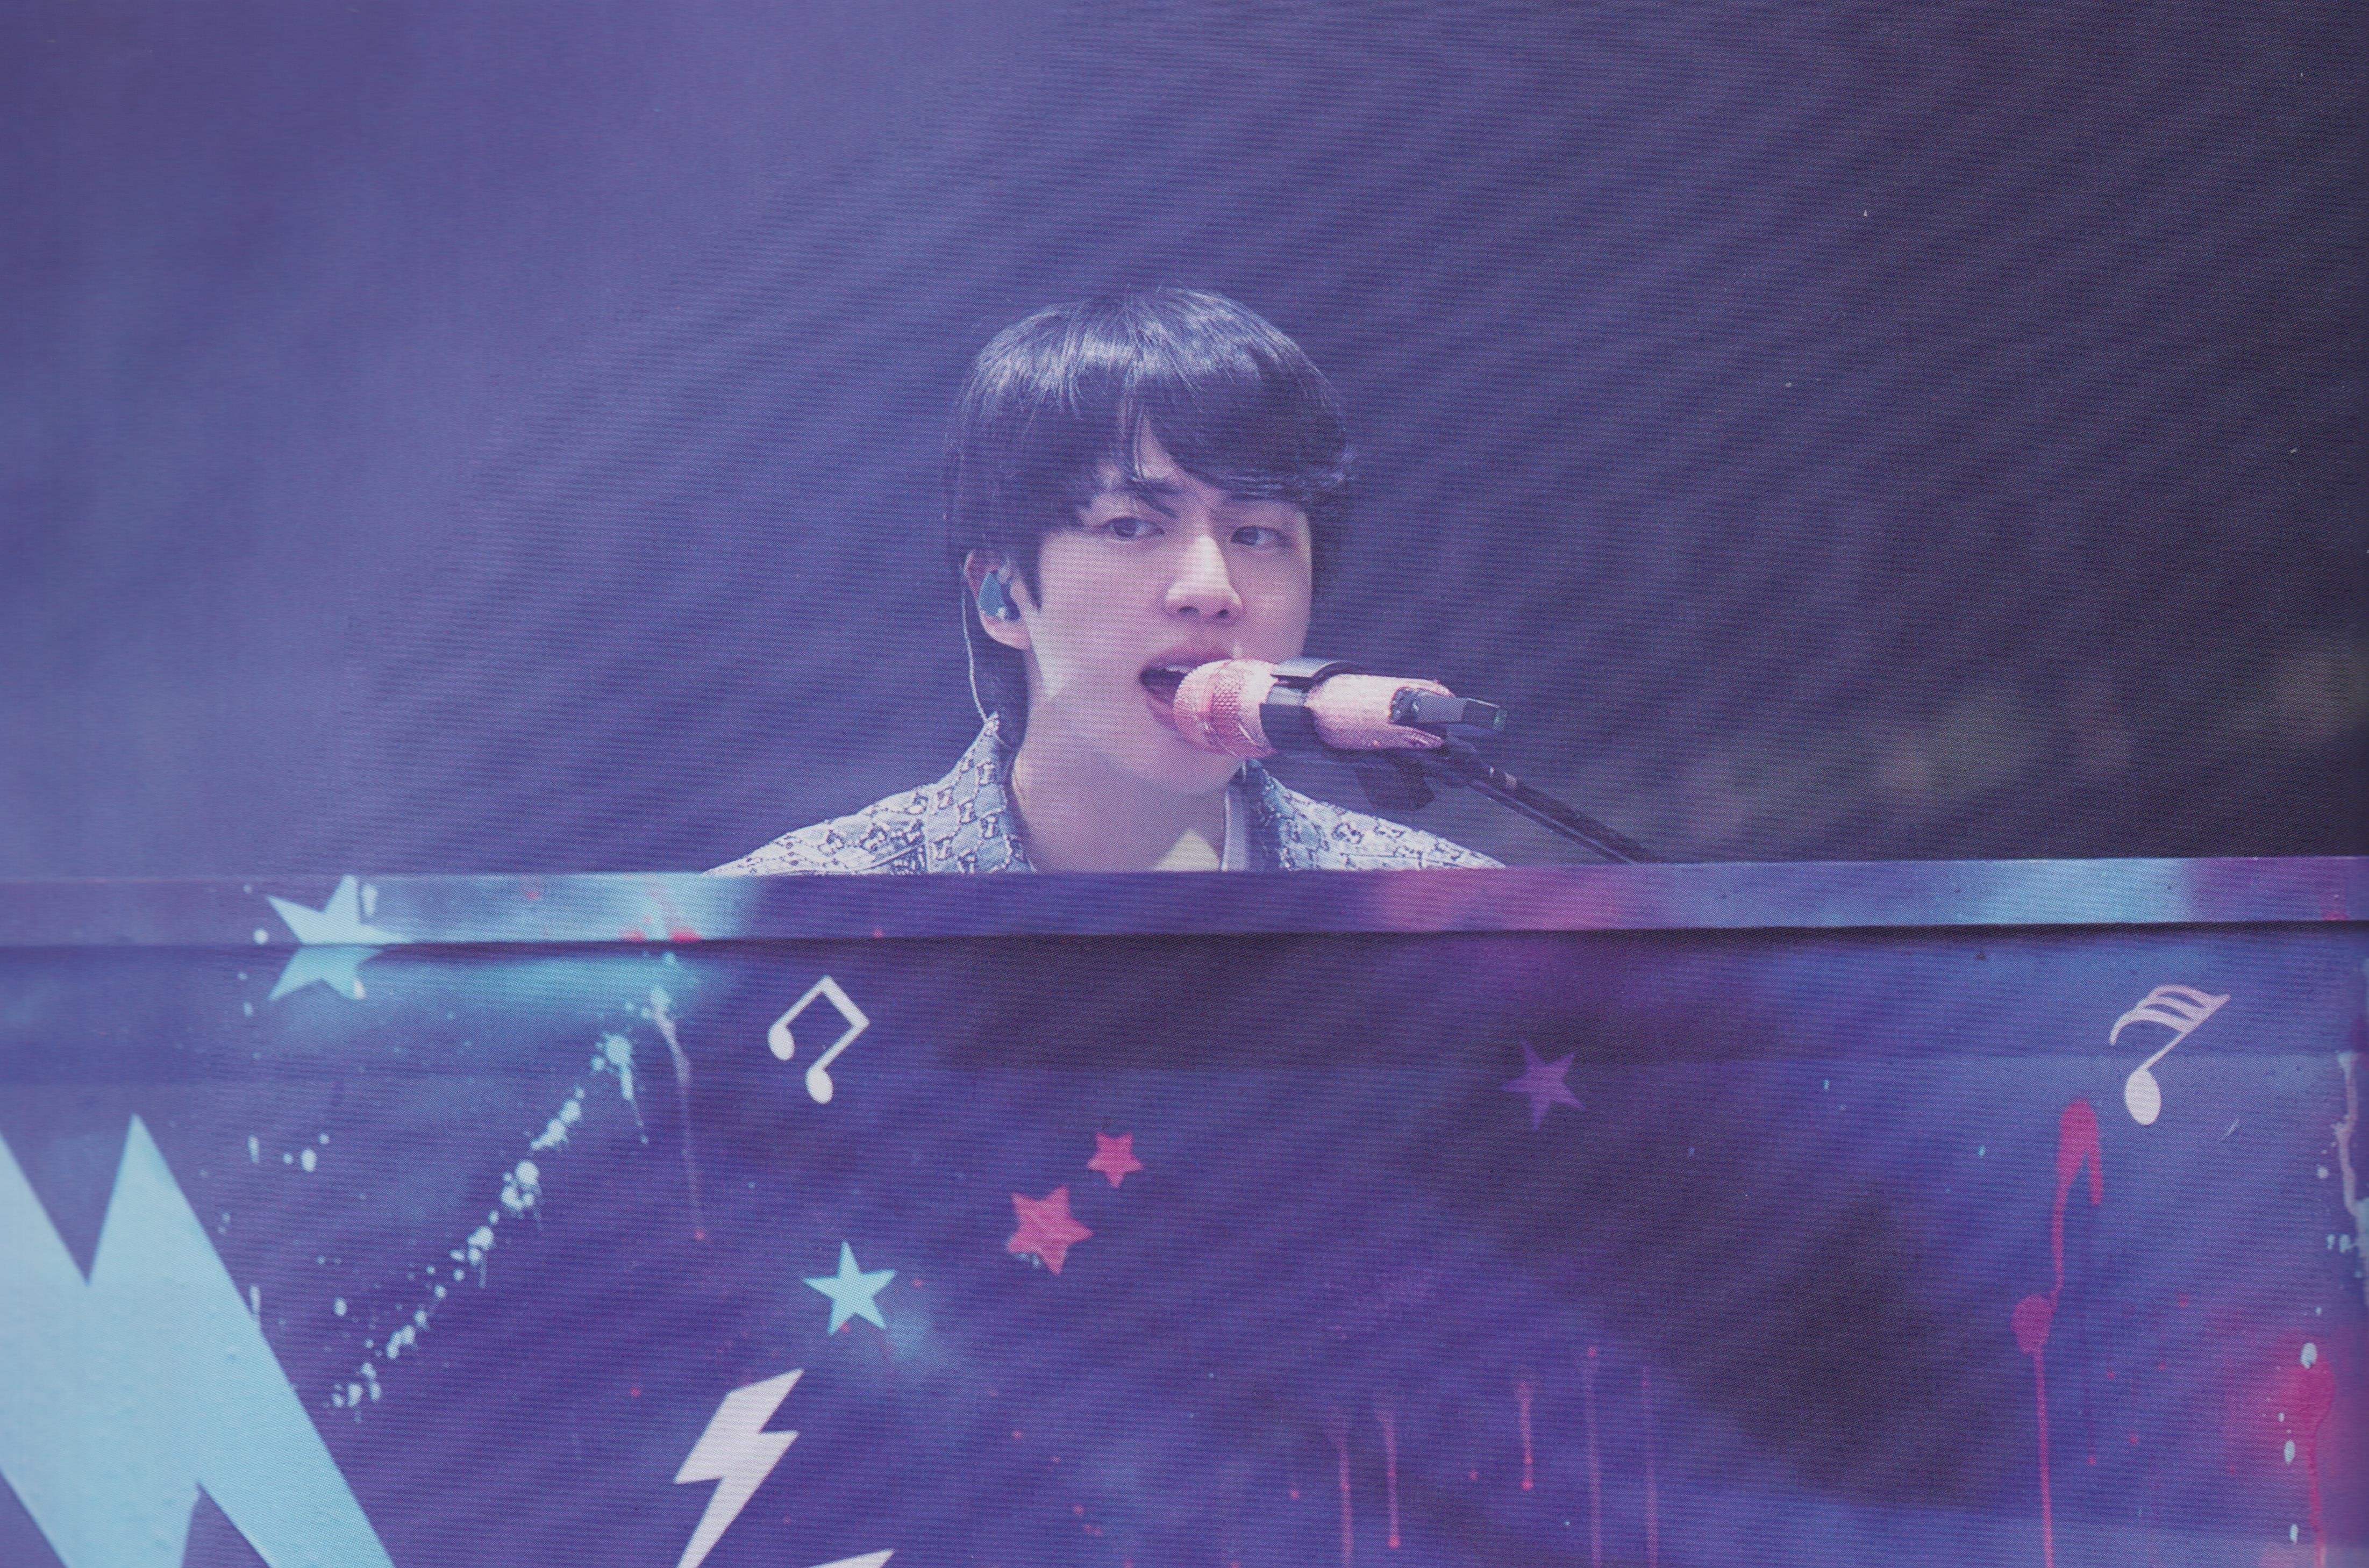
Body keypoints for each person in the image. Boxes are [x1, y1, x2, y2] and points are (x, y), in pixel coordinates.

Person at [712, 288, 1497, 874]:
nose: (1211, 587)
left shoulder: (1447, 922)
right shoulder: (781, 927)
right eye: (1132, 527)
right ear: (1001, 593)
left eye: (1257, 535)